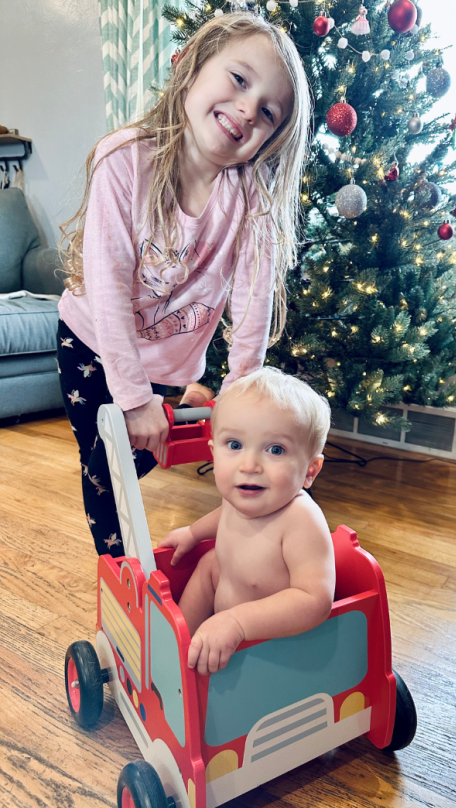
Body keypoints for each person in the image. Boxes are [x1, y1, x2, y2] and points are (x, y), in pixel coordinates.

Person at [56, 13, 312, 556]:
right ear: (194, 68)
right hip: (91, 343)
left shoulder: (252, 199)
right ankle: (123, 575)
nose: (248, 109)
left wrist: (238, 395)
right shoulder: (125, 160)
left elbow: (251, 305)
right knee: (104, 471)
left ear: (270, 138)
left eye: (268, 112)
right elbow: (107, 289)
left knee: (139, 454)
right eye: (239, 80)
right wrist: (133, 398)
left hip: (169, 363)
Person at [158, 367, 336, 675]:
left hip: (270, 650)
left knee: (213, 564)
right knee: (209, 564)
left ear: (310, 470)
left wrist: (237, 622)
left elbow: (314, 601)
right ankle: (176, 648)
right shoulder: (241, 495)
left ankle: (188, 655)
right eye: (235, 445)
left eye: (275, 450)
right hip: (227, 617)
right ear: (213, 453)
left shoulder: (301, 519)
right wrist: (193, 532)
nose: (249, 465)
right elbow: (226, 515)